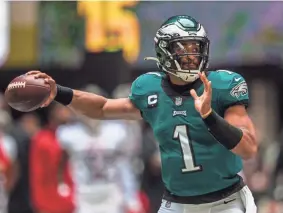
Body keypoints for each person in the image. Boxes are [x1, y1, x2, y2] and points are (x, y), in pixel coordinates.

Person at [26, 15, 258, 213]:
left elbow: (248, 148)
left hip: (226, 202)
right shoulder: (150, 89)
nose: (192, 56)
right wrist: (59, 92)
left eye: (196, 48)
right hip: (176, 203)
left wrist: (210, 117)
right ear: (165, 51)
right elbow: (102, 108)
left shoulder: (222, 85)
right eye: (184, 48)